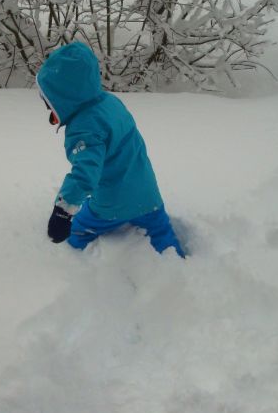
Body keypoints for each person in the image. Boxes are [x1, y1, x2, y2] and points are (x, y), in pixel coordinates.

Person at [36, 41, 185, 258]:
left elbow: (85, 174)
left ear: (64, 99)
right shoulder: (111, 102)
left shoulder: (83, 129)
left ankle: (74, 258)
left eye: (50, 104)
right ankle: (181, 267)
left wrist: (63, 212)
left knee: (77, 231)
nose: (49, 110)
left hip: (111, 204)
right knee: (163, 236)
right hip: (149, 195)